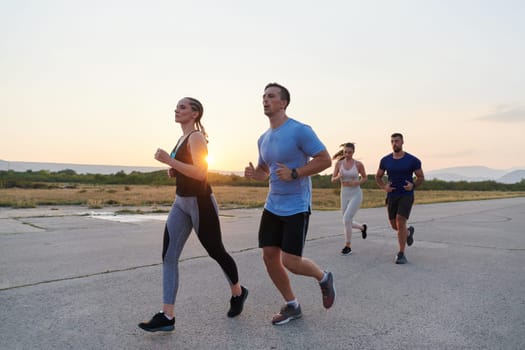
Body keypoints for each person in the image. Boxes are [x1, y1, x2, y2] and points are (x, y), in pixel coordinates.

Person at [138, 97, 248, 332]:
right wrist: (173, 169)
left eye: (182, 107)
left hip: (200, 202)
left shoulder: (196, 137)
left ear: (195, 114)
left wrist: (170, 160)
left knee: (215, 251)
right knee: (169, 256)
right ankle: (167, 316)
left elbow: (200, 173)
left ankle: (238, 292)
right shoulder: (181, 138)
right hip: (180, 202)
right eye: (177, 106)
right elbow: (185, 169)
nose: (176, 110)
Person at [244, 82, 335, 326]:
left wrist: (295, 173)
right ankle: (292, 305)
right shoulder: (263, 138)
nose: (265, 100)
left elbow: (324, 160)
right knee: (269, 256)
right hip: (272, 205)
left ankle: (324, 277)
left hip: (297, 204)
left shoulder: (300, 130)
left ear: (283, 103)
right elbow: (266, 170)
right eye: (263, 96)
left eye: (271, 96)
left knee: (291, 262)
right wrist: (257, 175)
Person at [375, 133, 424, 264]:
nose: (394, 144)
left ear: (402, 142)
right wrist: (384, 187)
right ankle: (407, 233)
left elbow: (421, 177)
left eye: (397, 141)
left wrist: (413, 185)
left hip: (406, 195)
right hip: (392, 195)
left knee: (400, 220)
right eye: (392, 141)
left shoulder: (412, 160)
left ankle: (401, 253)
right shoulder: (385, 160)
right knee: (394, 225)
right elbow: (378, 176)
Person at [331, 142, 368, 256]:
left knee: (346, 219)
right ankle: (362, 228)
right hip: (344, 194)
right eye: (345, 152)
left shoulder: (358, 164)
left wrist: (356, 182)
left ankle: (348, 246)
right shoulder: (339, 164)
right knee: (347, 221)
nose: (347, 154)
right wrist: (338, 177)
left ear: (353, 152)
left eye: (350, 152)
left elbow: (365, 178)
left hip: (356, 194)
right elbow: (333, 179)